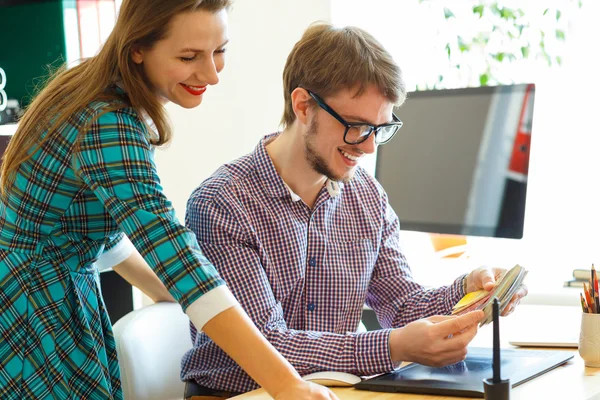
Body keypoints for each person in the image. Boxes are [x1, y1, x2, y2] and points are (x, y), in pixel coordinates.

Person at [0, 2, 338, 400]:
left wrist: (165, 290)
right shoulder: (107, 121)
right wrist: (287, 384)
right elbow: (176, 252)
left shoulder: (91, 87)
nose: (211, 74)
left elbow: (90, 226)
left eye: (220, 51)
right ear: (137, 48)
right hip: (33, 313)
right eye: (189, 56)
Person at [182, 22, 529, 394]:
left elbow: (400, 304)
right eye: (357, 126)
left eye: (379, 129)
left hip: (340, 390)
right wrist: (392, 346)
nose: (368, 148)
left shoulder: (367, 196)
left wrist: (470, 293)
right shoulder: (222, 204)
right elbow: (267, 345)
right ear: (303, 106)